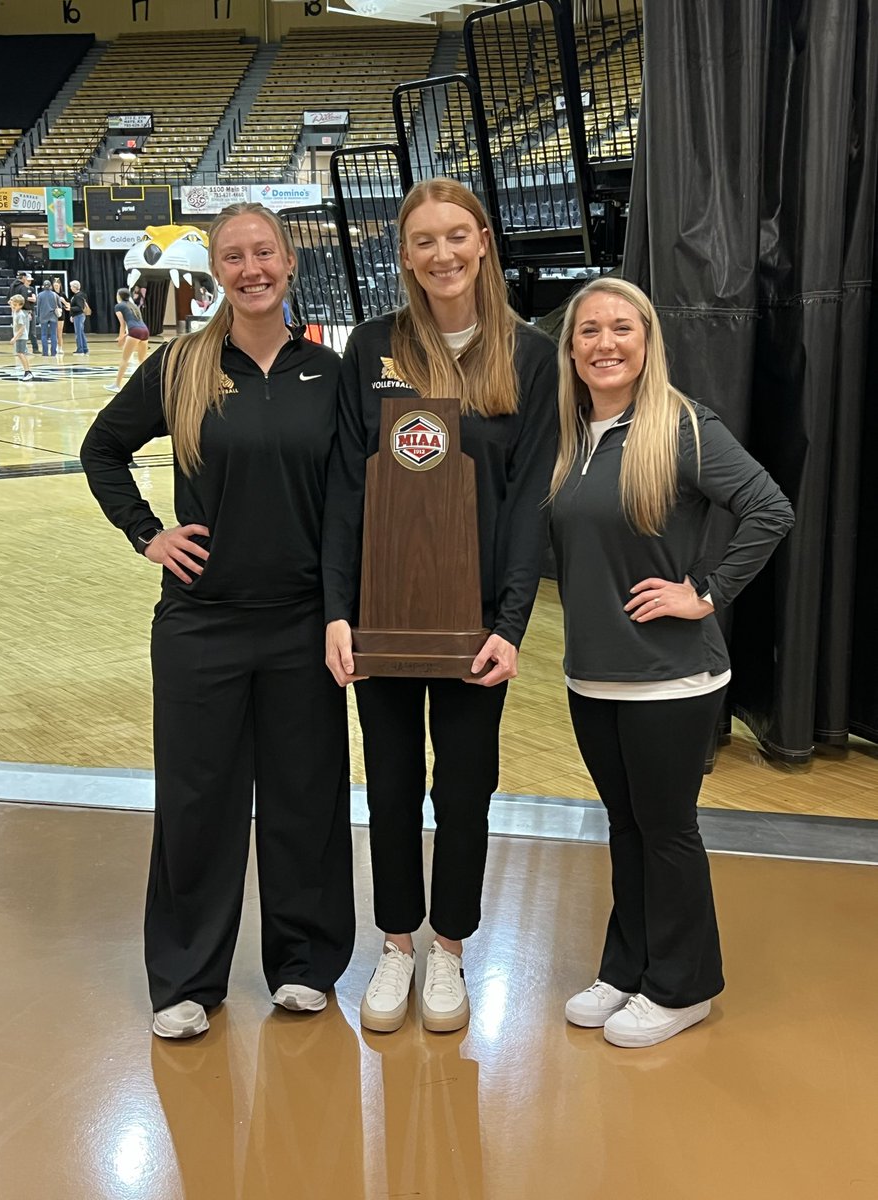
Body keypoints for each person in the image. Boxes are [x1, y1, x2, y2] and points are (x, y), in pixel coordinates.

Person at [80, 201, 355, 1040]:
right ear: (216, 271)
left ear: (288, 260)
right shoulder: (183, 365)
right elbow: (102, 448)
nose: (251, 269)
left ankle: (304, 963)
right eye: (233, 256)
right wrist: (147, 533)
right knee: (197, 801)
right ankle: (188, 979)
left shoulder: (330, 372)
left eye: (263, 252)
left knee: (306, 799)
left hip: (304, 623)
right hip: (201, 624)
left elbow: (355, 496)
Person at [322, 178, 558, 1034]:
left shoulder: (529, 354)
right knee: (388, 787)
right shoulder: (372, 345)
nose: (443, 254)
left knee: (466, 790)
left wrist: (511, 624)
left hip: (474, 629)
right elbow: (348, 482)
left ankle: (449, 950)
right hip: (383, 619)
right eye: (424, 240)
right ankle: (393, 944)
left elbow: (532, 498)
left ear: (484, 241)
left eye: (457, 235)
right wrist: (337, 609)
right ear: (406, 254)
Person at [549, 277, 794, 1048]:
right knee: (626, 828)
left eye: (623, 327)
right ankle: (628, 967)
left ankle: (683, 986)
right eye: (589, 330)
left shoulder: (682, 426)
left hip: (672, 677)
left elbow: (769, 507)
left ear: (648, 342)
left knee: (666, 830)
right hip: (592, 674)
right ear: (571, 347)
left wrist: (707, 593)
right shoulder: (567, 435)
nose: (605, 343)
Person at [105, 286, 150, 392]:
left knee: (125, 360)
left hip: (135, 331)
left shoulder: (119, 306)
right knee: (142, 360)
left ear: (119, 296)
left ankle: (117, 385)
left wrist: (121, 337)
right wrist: (125, 336)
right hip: (145, 331)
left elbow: (122, 324)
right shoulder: (133, 306)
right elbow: (137, 323)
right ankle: (147, 383)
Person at [8, 271, 39, 353]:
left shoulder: (12, 286)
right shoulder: (23, 287)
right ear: (24, 278)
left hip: (14, 311)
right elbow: (24, 300)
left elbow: (8, 299)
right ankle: (23, 350)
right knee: (24, 330)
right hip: (23, 311)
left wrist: (13, 309)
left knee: (16, 330)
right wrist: (28, 312)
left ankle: (17, 349)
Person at [8, 294, 33, 381]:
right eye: (12, 305)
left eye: (15, 305)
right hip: (19, 336)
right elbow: (11, 303)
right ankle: (27, 371)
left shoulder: (20, 315)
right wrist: (11, 302)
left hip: (21, 337)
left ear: (20, 305)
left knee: (20, 353)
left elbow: (22, 329)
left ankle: (28, 372)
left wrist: (15, 338)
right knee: (19, 353)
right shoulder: (15, 311)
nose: (13, 306)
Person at [35, 280, 62, 356]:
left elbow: (38, 307)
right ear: (51, 286)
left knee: (44, 335)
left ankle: (45, 352)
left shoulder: (40, 295)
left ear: (43, 286)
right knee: (53, 334)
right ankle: (54, 352)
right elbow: (60, 305)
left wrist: (38, 316)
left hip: (43, 316)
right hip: (53, 315)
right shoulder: (55, 294)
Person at [68, 280, 90, 354]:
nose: (70, 288)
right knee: (81, 332)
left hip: (79, 316)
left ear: (75, 287)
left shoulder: (78, 296)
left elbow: (79, 307)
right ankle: (85, 348)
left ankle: (80, 349)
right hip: (79, 315)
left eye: (71, 286)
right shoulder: (81, 295)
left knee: (78, 333)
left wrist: (70, 308)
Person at [51, 277, 66, 356]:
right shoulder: (51, 293)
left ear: (60, 285)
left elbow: (68, 306)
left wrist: (64, 301)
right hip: (53, 314)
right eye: (55, 285)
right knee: (54, 332)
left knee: (59, 332)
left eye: (57, 285)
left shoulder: (62, 294)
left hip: (60, 315)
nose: (56, 287)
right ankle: (54, 347)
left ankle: (60, 347)